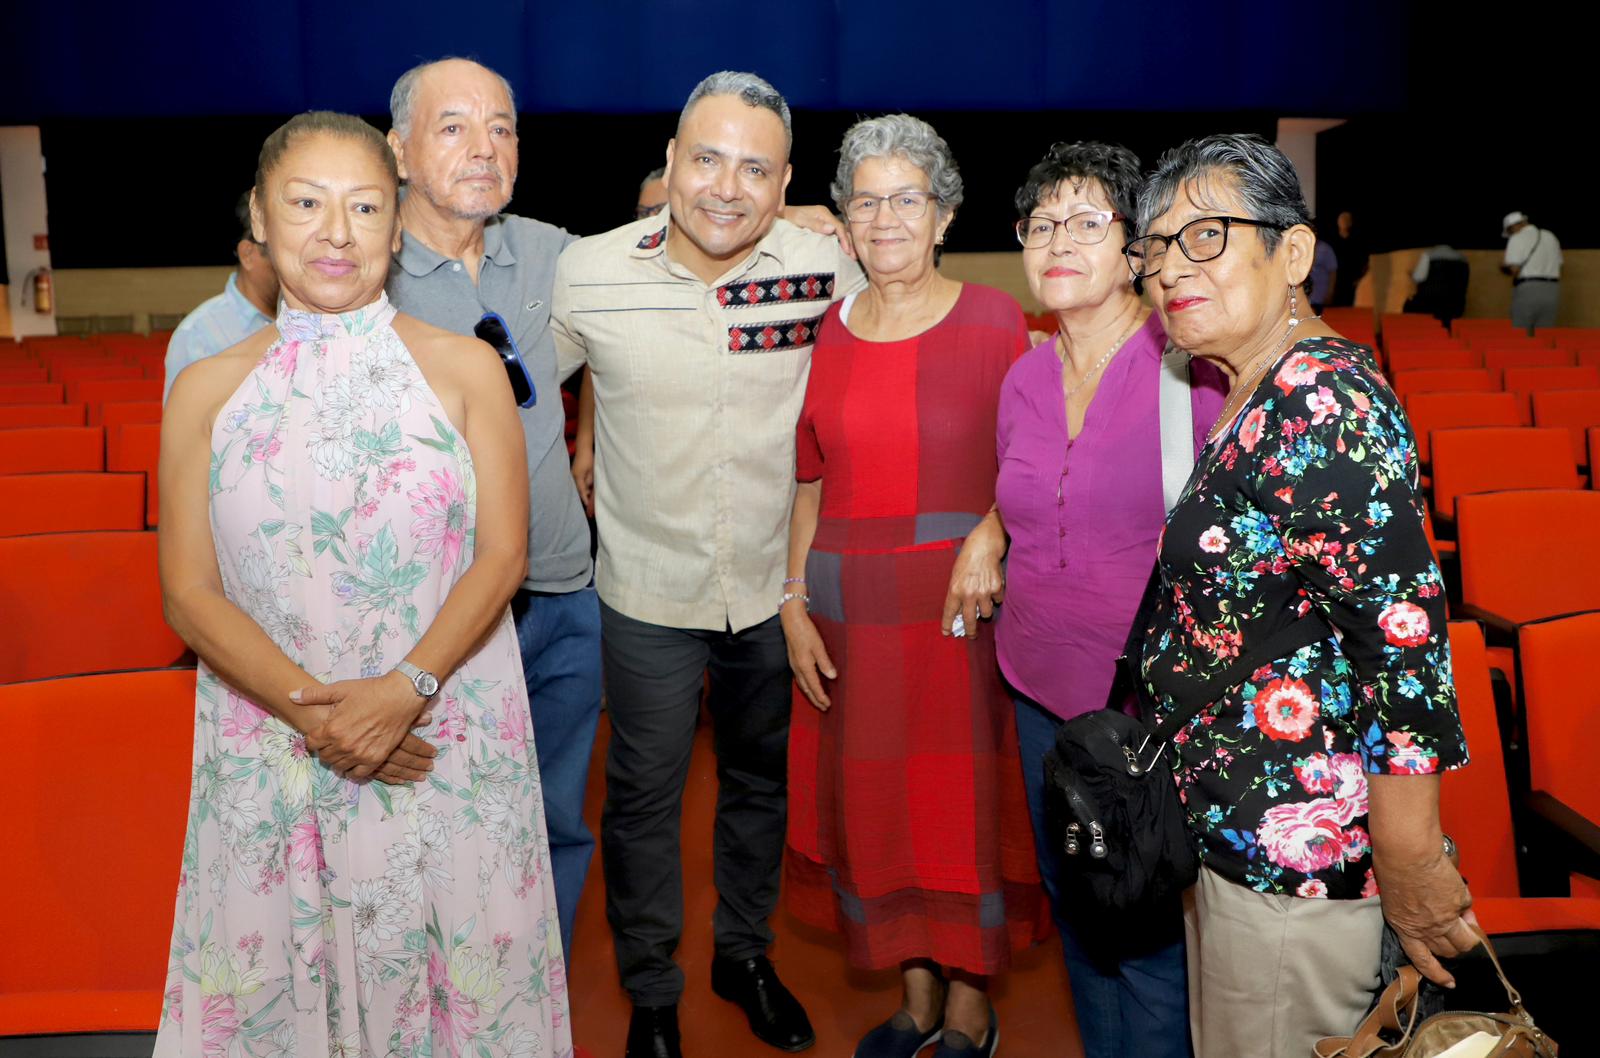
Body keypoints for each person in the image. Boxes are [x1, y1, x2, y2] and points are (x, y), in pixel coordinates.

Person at [154, 111, 569, 1058]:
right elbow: (189, 594)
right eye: (306, 203)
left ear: (397, 222)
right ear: (260, 215)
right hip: (275, 742)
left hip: (444, 733)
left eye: (365, 206)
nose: (335, 232)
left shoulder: (466, 368)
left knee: (458, 982)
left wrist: (402, 694)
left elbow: (503, 556)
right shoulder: (206, 390)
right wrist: (329, 721)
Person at [1124, 133, 1472, 1058]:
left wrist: (1410, 862)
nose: (1167, 269)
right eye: (1156, 247)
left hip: (1298, 860)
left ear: (1291, 254)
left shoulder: (1320, 400)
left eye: (1204, 237)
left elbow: (1403, 652)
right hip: (1238, 832)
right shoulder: (1255, 390)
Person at [551, 71, 865, 1058]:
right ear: (672, 161)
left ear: (783, 184)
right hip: (644, 585)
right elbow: (512, 391)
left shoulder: (826, 269)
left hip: (777, 591)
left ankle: (744, 952)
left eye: (755, 167)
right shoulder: (586, 272)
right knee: (641, 797)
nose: (726, 186)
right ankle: (651, 988)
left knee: (760, 783)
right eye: (707, 158)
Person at [780, 114, 1047, 1058]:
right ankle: (917, 998)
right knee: (880, 816)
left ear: (942, 217)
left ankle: (972, 1006)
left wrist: (990, 529)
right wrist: (792, 604)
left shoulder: (993, 319)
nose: (886, 217)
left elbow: (1034, 459)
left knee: (955, 811)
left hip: (955, 615)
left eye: (908, 198)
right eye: (866, 199)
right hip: (848, 615)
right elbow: (809, 481)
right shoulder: (829, 334)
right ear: (844, 222)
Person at [993, 141, 1227, 1058]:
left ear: (1136, 248)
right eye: (1041, 224)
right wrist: (985, 531)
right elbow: (1025, 492)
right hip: (1037, 690)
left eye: (1087, 222)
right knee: (1076, 908)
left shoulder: (1191, 371)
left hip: (1150, 708)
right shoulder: (1021, 375)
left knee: (1148, 933)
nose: (1058, 240)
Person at [163, 190, 277, 399]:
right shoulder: (198, 335)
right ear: (248, 254)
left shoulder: (308, 321)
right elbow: (185, 429)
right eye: (279, 252)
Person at [1500, 211, 1563, 334]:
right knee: (1545, 335)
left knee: (1521, 334)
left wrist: (1502, 267)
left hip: (1528, 289)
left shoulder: (1517, 237)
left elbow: (1514, 270)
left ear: (1512, 227)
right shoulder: (1550, 236)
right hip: (1553, 289)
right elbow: (1560, 263)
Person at [1405, 244, 1469, 325]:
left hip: (1429, 305)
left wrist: (1412, 275)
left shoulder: (1428, 255)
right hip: (1455, 307)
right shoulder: (1463, 259)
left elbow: (1418, 278)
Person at [1327, 209, 1367, 307]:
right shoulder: (1332, 242)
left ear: (1351, 223)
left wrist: (1359, 279)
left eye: (1346, 220)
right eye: (1342, 219)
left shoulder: (1357, 241)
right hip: (1335, 281)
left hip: (1351, 282)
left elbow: (1364, 262)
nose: (1344, 222)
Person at [1308, 232, 1337, 315]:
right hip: (1305, 296)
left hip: (1320, 295)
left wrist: (1330, 292)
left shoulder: (1325, 249)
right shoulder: (1302, 248)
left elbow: (1332, 272)